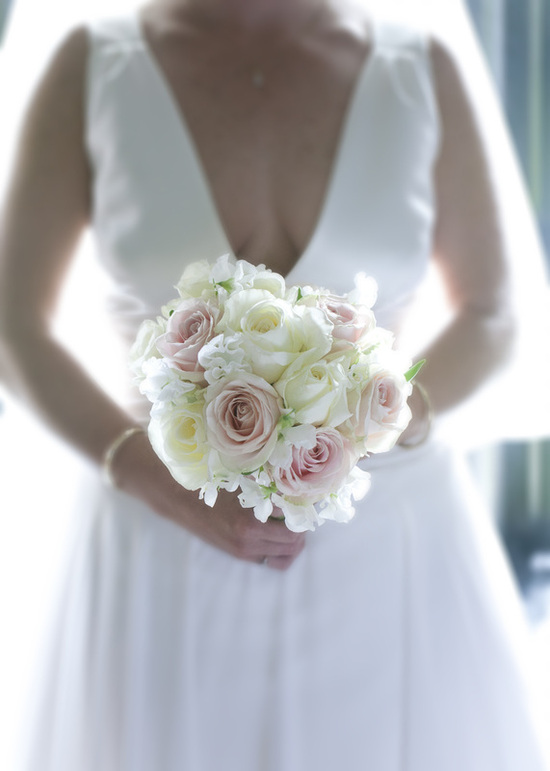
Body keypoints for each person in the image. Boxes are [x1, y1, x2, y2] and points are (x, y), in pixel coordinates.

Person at [0, 0, 548, 768]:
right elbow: (15, 322)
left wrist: (380, 420)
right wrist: (147, 474)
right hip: (154, 549)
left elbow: (494, 312)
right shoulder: (94, 67)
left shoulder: (417, 68)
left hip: (388, 549)